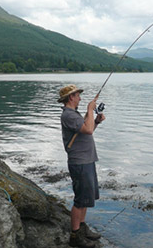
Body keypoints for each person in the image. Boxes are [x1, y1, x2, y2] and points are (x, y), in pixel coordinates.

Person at [58, 84, 105, 248]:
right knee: (80, 200)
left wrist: (96, 121)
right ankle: (75, 236)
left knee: (87, 197)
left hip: (87, 160)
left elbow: (88, 129)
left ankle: (83, 229)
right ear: (71, 97)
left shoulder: (74, 114)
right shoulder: (68, 115)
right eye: (78, 95)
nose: (80, 98)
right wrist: (90, 110)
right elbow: (88, 131)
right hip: (80, 162)